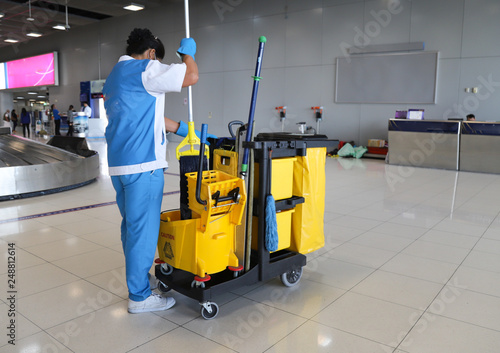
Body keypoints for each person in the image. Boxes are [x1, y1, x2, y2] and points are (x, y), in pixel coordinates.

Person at [103, 28, 200, 314]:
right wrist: (188, 55)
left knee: (132, 228)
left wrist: (183, 129)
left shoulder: (115, 75)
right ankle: (140, 297)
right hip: (144, 164)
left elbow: (147, 115)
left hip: (120, 166)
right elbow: (191, 76)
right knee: (143, 232)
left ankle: (139, 280)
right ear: (152, 53)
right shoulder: (146, 67)